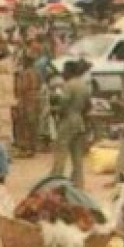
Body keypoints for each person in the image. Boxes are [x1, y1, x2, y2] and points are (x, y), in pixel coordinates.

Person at [49, 60, 91, 189]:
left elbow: (64, 104)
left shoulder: (68, 85)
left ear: (70, 71)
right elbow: (88, 106)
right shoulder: (84, 85)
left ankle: (55, 182)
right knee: (77, 157)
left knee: (61, 153)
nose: (63, 73)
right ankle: (78, 184)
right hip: (79, 121)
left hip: (68, 121)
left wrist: (55, 110)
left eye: (64, 71)